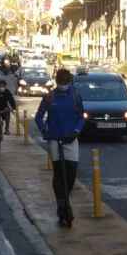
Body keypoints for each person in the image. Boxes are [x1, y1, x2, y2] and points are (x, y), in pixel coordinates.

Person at [34, 69, 84, 227]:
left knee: (71, 174)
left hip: (71, 138)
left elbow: (81, 116)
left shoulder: (75, 96)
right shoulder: (49, 96)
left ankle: (64, 200)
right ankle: (61, 204)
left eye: (65, 83)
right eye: (61, 83)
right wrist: (45, 132)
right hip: (54, 139)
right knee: (58, 173)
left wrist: (76, 132)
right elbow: (38, 117)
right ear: (57, 82)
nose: (63, 85)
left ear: (69, 82)